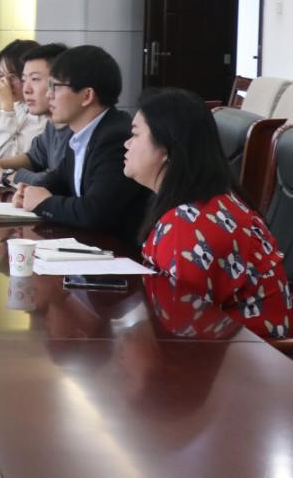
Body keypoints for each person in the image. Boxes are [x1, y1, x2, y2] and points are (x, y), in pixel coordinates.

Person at [123, 87, 291, 340]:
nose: (126, 144)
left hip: (250, 356)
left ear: (166, 148)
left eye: (135, 134)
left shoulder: (189, 225)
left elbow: (179, 328)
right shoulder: (201, 203)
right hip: (227, 350)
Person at [12, 45, 149, 245]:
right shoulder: (81, 135)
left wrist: (44, 203)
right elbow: (59, 181)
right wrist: (28, 192)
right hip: (93, 248)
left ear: (86, 96)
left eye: (56, 87)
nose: (49, 95)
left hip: (120, 253)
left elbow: (94, 212)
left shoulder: (115, 138)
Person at [0, 43, 69, 187]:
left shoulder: (67, 126)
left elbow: (53, 183)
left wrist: (2, 174)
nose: (27, 89)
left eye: (35, 79)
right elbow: (32, 158)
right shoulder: (51, 126)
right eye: (25, 79)